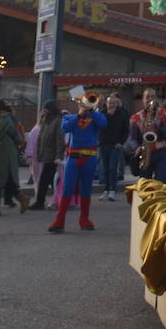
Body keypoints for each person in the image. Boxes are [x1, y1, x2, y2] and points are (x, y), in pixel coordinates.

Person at [48, 98, 107, 233]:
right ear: (78, 104)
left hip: (90, 157)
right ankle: (59, 220)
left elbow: (103, 123)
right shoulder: (69, 117)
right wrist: (80, 115)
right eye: (83, 103)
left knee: (86, 189)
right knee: (67, 188)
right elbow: (65, 128)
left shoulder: (96, 117)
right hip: (73, 158)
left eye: (88, 103)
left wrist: (92, 111)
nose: (85, 105)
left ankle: (84, 219)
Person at [30, 101, 65, 211]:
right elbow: (41, 138)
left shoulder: (57, 121)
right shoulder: (46, 121)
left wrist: (58, 156)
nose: (43, 111)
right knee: (49, 180)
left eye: (46, 109)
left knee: (46, 180)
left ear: (51, 110)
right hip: (46, 155)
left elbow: (60, 140)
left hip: (53, 157)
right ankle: (55, 201)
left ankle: (41, 202)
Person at [130, 98, 166, 182]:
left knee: (162, 181)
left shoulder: (163, 114)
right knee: (145, 183)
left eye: (152, 96)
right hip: (144, 152)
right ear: (143, 100)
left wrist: (157, 126)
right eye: (147, 97)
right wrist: (136, 148)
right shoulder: (135, 118)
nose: (150, 99)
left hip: (160, 152)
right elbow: (132, 138)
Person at [98, 94, 129, 201]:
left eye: (113, 103)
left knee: (112, 168)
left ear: (117, 104)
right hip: (104, 144)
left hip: (116, 145)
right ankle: (106, 190)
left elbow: (126, 130)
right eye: (109, 103)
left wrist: (121, 142)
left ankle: (112, 190)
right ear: (106, 104)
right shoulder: (102, 113)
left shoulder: (122, 114)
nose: (111, 105)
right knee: (105, 168)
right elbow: (99, 126)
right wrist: (108, 115)